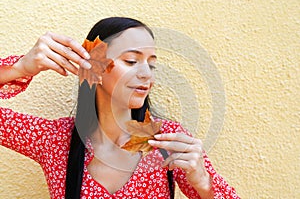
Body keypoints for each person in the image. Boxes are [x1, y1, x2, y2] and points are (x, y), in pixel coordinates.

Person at [0, 17, 239, 199]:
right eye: (132, 61)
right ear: (95, 68)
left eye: (151, 65)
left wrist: (204, 183)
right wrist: (19, 69)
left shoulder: (168, 141)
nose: (146, 74)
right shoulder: (53, 139)